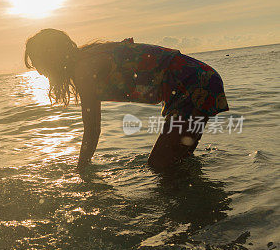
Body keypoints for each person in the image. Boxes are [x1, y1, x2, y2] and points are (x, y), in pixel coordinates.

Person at [24, 29, 229, 172]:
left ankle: (190, 220)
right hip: (197, 80)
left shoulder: (84, 69)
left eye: (37, 61)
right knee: (175, 163)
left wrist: (80, 171)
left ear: (50, 56)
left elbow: (92, 128)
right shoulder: (86, 60)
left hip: (193, 83)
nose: (39, 70)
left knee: (160, 165)